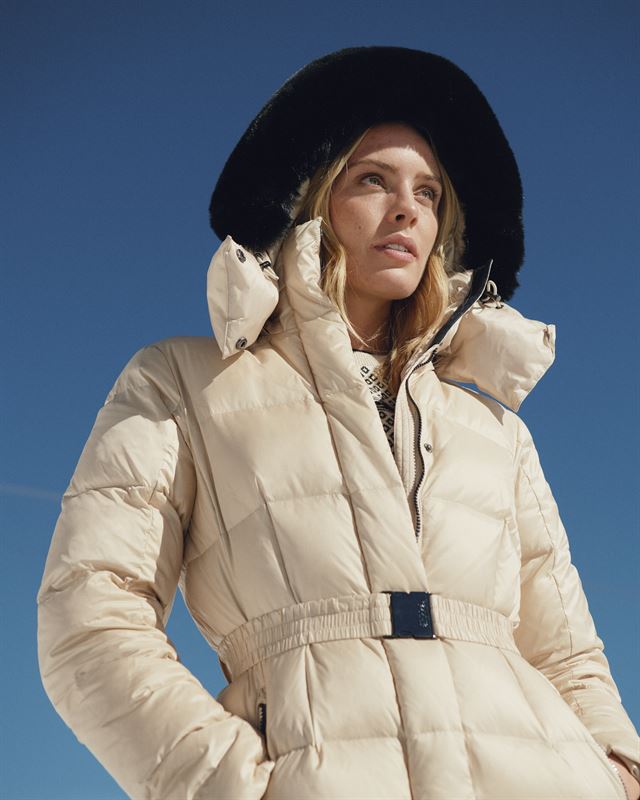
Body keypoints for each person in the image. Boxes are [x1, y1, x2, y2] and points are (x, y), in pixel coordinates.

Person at [37, 47, 639, 800]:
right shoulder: (184, 380)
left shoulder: (496, 431)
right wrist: (233, 785)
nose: (407, 208)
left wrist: (620, 773)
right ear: (314, 199)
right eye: (373, 180)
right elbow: (90, 616)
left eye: (428, 192)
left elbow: (569, 658)